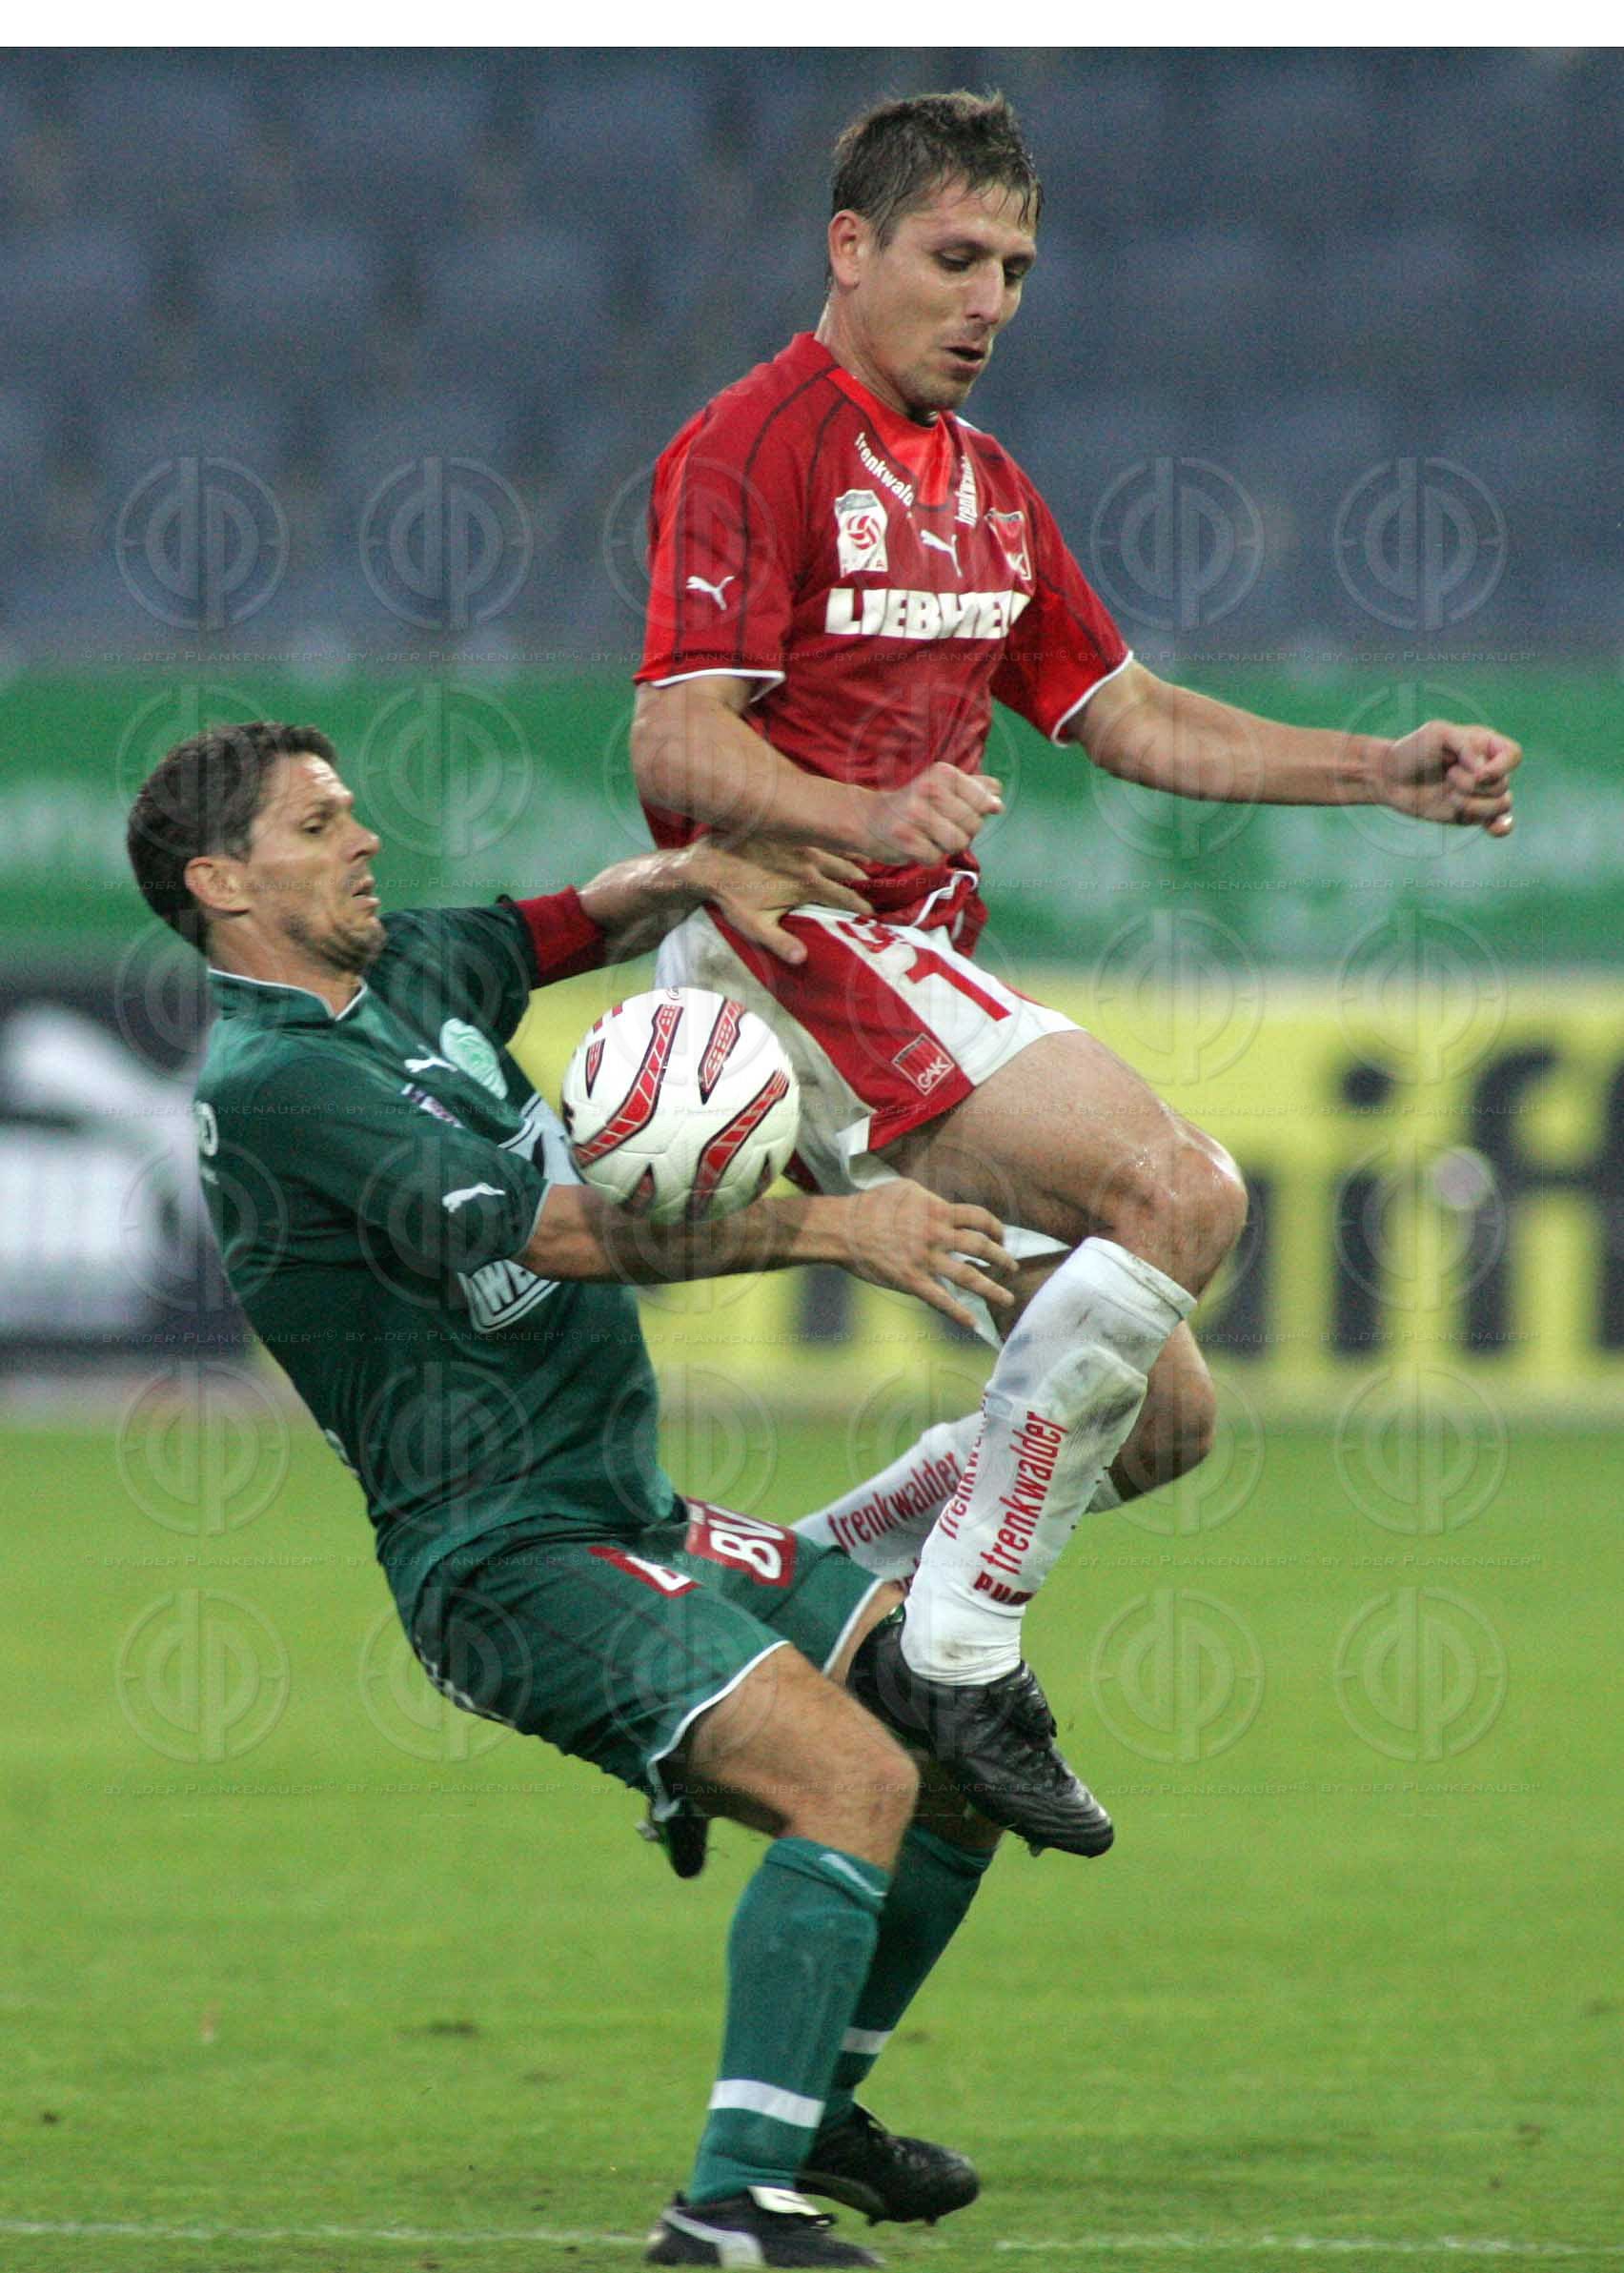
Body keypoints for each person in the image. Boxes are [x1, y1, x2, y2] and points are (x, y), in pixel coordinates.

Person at [629, 89, 1523, 1854]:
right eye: (957, 258)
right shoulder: (753, 445)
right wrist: (868, 804)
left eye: (1018, 269)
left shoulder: (985, 492)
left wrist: (1377, 768)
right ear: (851, 248)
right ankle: (957, 1648)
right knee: (1176, 1188)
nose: (992, 301)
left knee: (1158, 1416)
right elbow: (675, 746)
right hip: (792, 960)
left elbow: (1126, 714)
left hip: (900, 972)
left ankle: (779, 1598)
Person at [126, 719, 1031, 2269]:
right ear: (223, 880)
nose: (367, 840)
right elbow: (549, 1233)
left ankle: (808, 2107)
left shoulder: (400, 969)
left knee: (950, 1740)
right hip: (507, 1556)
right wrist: (835, 1231)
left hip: (631, 1511)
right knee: (850, 1781)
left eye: (353, 811)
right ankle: (727, 2208)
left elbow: (567, 921)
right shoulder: (281, 1081)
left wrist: (695, 870)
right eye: (320, 823)